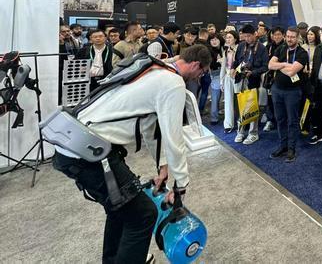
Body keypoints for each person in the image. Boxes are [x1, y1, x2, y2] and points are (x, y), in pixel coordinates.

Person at [52, 44, 211, 264]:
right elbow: (173, 137)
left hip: (75, 143)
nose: (198, 77)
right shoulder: (173, 82)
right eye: (201, 72)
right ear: (195, 65)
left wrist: (163, 166)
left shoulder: (155, 69)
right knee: (143, 215)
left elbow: (150, 127)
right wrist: (181, 185)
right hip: (90, 151)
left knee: (119, 209)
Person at [268, 26, 309, 162]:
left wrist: (279, 65)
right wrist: (285, 64)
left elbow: (292, 72)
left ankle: (291, 148)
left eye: (293, 37)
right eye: (288, 36)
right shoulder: (281, 48)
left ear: (297, 38)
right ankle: (283, 146)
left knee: (292, 120)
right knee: (280, 119)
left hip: (293, 91)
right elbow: (270, 65)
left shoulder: (302, 53)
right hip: (277, 89)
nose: (290, 39)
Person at [233, 24, 268, 145]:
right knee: (241, 106)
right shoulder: (241, 46)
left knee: (252, 107)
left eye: (249, 36)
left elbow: (265, 66)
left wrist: (253, 72)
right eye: (245, 36)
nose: (247, 38)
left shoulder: (262, 48)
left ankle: (253, 133)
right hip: (240, 80)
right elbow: (236, 61)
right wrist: (233, 69)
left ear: (255, 34)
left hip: (253, 81)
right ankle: (241, 131)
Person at [263, 26, 286, 132]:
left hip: (283, 76)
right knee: (270, 100)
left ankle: (282, 121)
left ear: (283, 35)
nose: (276, 37)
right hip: (270, 77)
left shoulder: (286, 46)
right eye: (274, 35)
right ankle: (270, 120)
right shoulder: (269, 46)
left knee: (281, 101)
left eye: (278, 34)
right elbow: (266, 62)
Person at [220, 30, 239, 134]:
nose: (228, 39)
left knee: (240, 100)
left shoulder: (241, 49)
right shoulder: (225, 51)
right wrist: (221, 81)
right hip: (228, 77)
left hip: (239, 77)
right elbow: (223, 67)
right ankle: (228, 125)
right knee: (228, 101)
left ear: (235, 39)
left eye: (230, 37)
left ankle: (242, 122)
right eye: (226, 37)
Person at [205, 34, 224, 124]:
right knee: (215, 97)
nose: (214, 41)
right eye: (212, 40)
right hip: (216, 74)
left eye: (216, 39)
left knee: (229, 97)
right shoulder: (209, 51)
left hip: (227, 73)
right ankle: (214, 118)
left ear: (220, 40)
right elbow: (211, 65)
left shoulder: (225, 48)